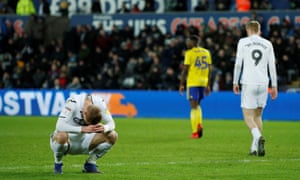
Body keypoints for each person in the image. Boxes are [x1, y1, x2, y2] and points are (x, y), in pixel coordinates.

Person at [233, 20, 278, 156]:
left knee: (248, 116)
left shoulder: (243, 42)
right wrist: (274, 85)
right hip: (264, 84)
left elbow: (238, 64)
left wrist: (235, 81)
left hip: (249, 82)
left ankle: (258, 137)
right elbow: (272, 66)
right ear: (259, 30)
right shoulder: (268, 44)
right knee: (258, 115)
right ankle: (254, 149)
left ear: (248, 30)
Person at [50, 94, 118, 174]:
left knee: (113, 135)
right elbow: (59, 126)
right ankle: (58, 164)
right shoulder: (73, 102)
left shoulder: (100, 103)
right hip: (67, 141)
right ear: (84, 113)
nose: (88, 124)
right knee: (61, 136)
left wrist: (104, 128)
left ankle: (90, 164)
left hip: (86, 142)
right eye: (88, 122)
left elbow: (111, 123)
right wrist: (82, 129)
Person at [179, 35, 212, 139]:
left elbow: (185, 70)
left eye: (188, 41)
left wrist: (181, 84)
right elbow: (209, 70)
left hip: (193, 82)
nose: (187, 43)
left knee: (193, 107)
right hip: (203, 82)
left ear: (194, 42)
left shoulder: (189, 53)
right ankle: (199, 124)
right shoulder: (207, 52)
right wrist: (208, 84)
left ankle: (195, 132)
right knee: (197, 105)